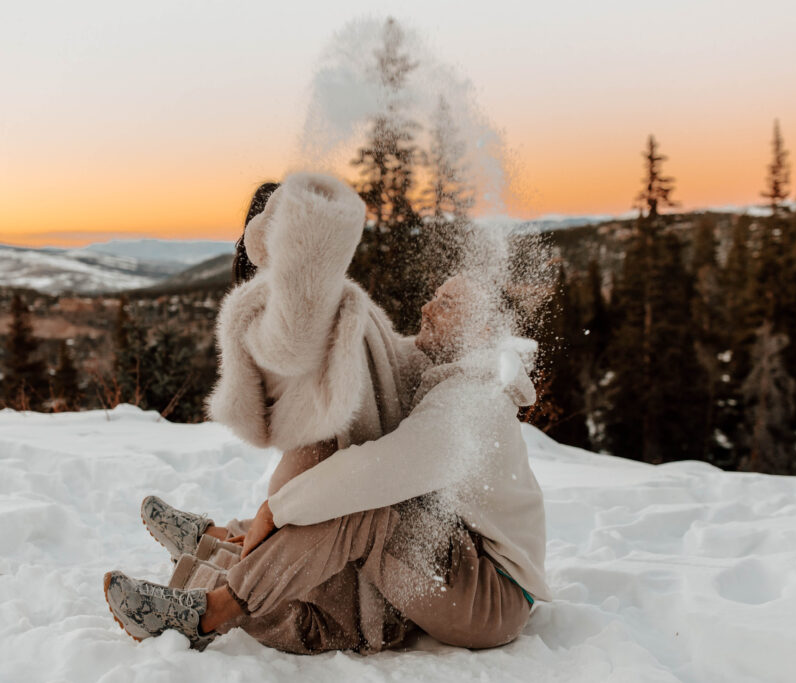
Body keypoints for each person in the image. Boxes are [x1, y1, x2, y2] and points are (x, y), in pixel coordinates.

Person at [104, 274, 552, 651]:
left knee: (364, 511)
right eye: (435, 295)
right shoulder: (450, 374)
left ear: (481, 327)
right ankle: (225, 542)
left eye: (448, 303)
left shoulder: (472, 401)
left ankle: (210, 613)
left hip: (493, 596)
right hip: (462, 555)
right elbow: (378, 357)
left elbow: (378, 472)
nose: (428, 308)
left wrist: (275, 510)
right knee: (336, 485)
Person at [105, 172, 430, 653]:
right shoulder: (351, 307)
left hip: (369, 568)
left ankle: (202, 601)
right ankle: (216, 542)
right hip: (354, 519)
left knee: (297, 609)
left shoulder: (316, 312)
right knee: (293, 522)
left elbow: (290, 349)